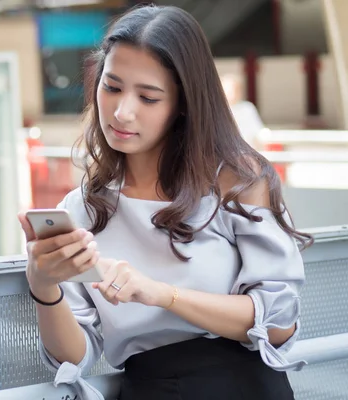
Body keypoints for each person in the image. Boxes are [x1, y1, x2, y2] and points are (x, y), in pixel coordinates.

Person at [18, 5, 312, 400]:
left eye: (149, 97)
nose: (122, 112)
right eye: (112, 86)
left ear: (183, 104)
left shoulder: (235, 182)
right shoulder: (83, 209)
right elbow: (76, 356)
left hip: (247, 386)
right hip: (151, 389)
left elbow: (277, 324)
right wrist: (43, 283)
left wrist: (159, 293)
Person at [220, 73, 266, 150]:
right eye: (229, 90)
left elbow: (257, 132)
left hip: (246, 151)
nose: (232, 93)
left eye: (235, 89)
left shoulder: (247, 108)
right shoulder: (219, 110)